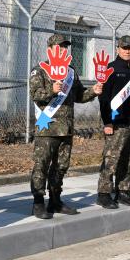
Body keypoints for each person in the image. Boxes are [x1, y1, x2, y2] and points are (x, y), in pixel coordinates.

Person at [29, 34, 102, 219]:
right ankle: (38, 202)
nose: (63, 50)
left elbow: (79, 96)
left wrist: (93, 91)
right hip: (47, 128)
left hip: (66, 128)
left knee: (61, 166)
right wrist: (51, 90)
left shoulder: (70, 72)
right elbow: (35, 95)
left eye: (65, 47)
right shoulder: (40, 70)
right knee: (41, 165)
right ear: (50, 49)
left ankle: (55, 200)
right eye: (59, 46)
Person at [96, 35, 130, 209]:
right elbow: (103, 99)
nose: (127, 51)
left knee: (129, 160)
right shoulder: (110, 69)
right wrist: (107, 122)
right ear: (118, 48)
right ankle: (103, 194)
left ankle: (122, 191)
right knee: (111, 159)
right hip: (116, 123)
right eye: (124, 48)